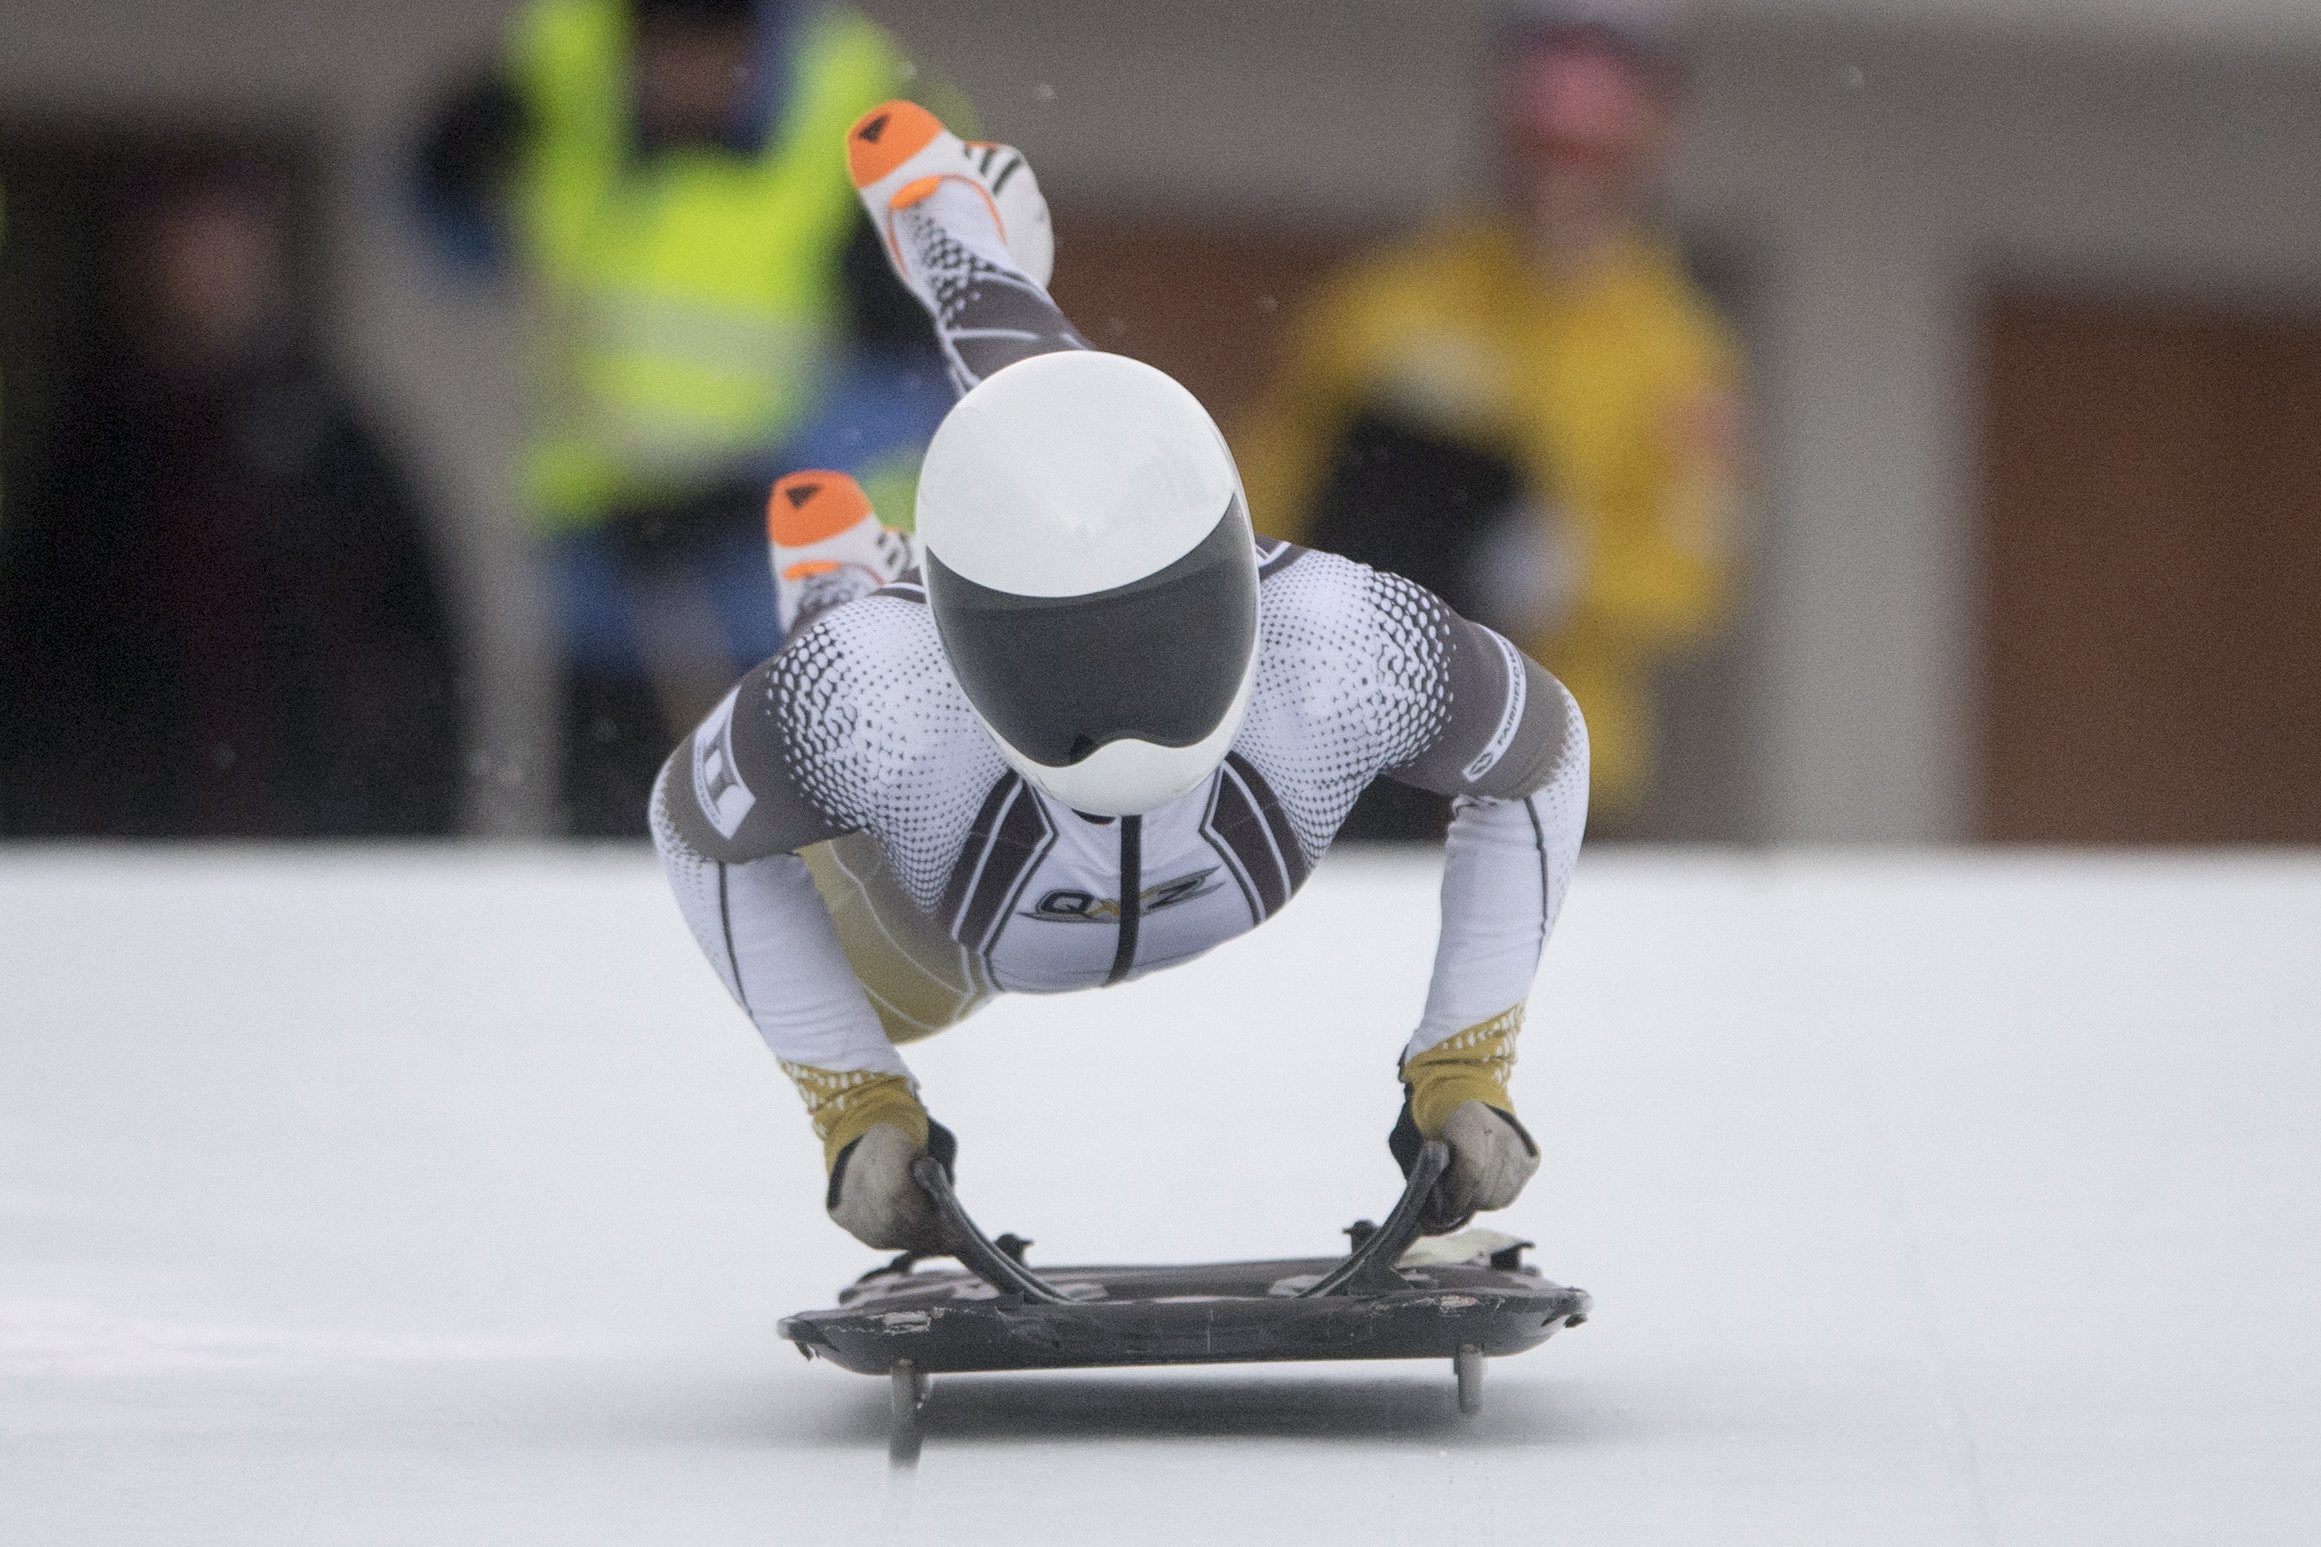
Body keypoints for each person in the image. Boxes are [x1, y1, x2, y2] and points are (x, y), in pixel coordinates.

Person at [650, 103, 1588, 1252]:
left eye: (1160, 626)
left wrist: (1467, 1061)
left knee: (1069, 440)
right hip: (948, 931)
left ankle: (954, 259)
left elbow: (1544, 752)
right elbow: (693, 826)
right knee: (904, 976)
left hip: (974, 866)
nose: (1127, 709)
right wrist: (855, 1095)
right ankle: (847, 576)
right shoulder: (881, 693)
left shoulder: (1338, 639)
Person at [413, 0, 960, 835]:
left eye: (711, 49)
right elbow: (467, 249)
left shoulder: (856, 115)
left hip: (802, 596)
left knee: (799, 872)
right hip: (608, 576)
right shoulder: (560, 80)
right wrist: (444, 172)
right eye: (659, 50)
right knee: (609, 864)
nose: (683, 80)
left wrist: (751, 493)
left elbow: (917, 371)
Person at [1236, 0, 1742, 837]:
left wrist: (1572, 574)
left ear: (1653, 137)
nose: (1565, 178)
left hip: (1561, 770)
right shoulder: (1391, 303)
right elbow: (1265, 502)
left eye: (1592, 151)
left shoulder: (1679, 353)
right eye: (1545, 146)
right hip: (1364, 752)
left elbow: (1689, 577)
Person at [0, 166, 463, 838]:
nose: (205, 277)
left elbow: (412, 647)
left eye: (225, 252)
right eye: (185, 253)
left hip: (316, 828)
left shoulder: (332, 439)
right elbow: (43, 647)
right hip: (132, 830)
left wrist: (404, 809)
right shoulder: (101, 440)